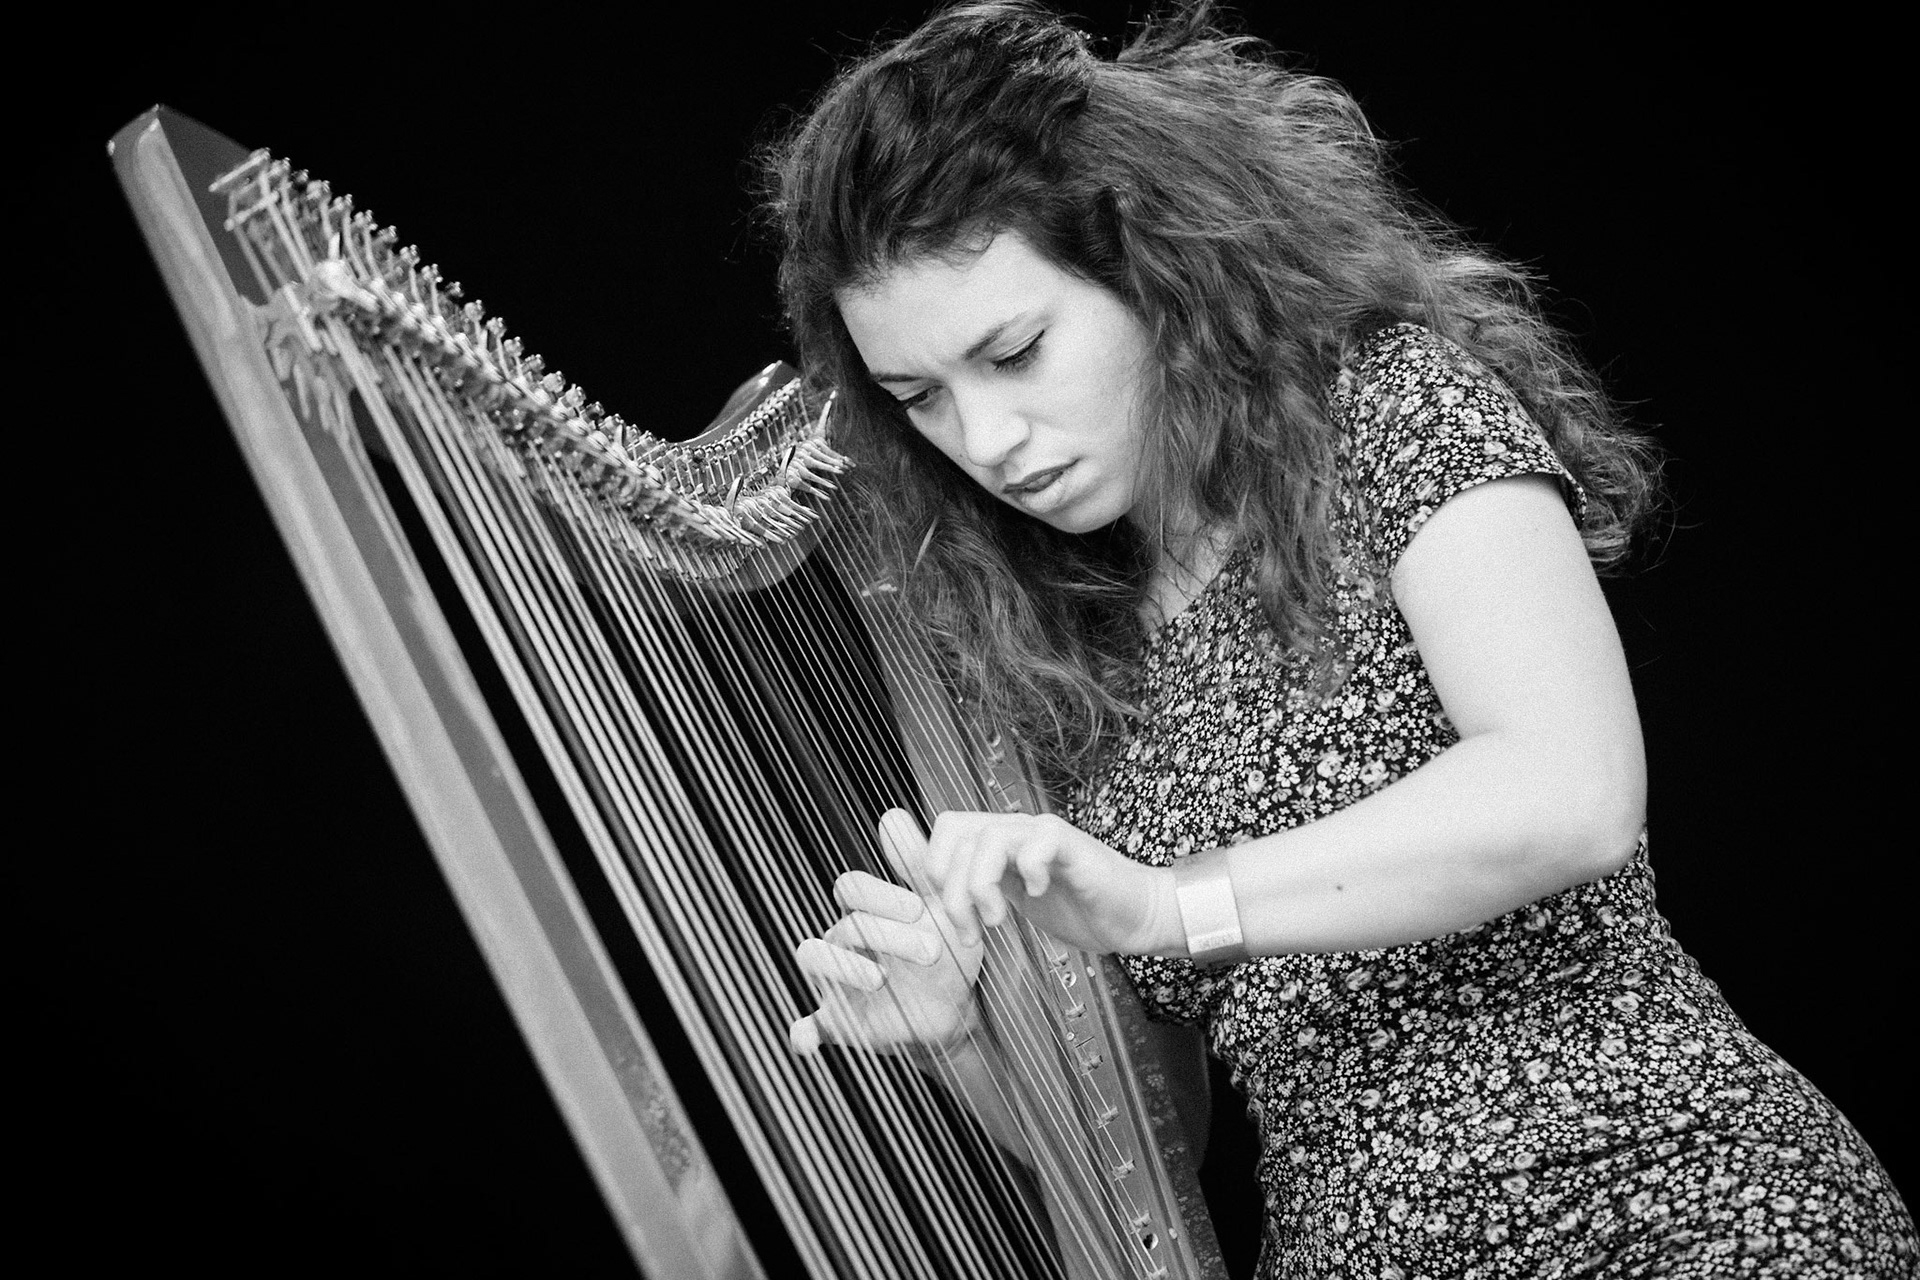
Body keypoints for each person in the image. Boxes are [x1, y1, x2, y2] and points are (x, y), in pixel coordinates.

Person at [767, 2, 1917, 1275]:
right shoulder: (1053, 647)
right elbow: (1157, 1143)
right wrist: (963, 1040)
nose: (986, 442)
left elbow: (1570, 792)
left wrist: (1167, 904)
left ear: (1149, 266)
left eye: (1017, 352)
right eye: (921, 398)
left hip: (1651, 1197)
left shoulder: (1389, 410)